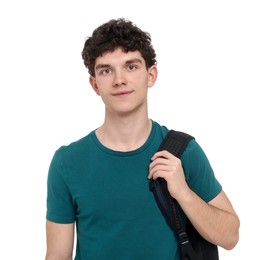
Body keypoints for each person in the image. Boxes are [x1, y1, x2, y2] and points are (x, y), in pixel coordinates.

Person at [45, 18, 240, 260]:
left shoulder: (182, 151)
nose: (119, 80)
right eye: (106, 70)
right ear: (95, 84)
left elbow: (230, 236)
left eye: (131, 66)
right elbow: (57, 255)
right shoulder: (68, 162)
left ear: (151, 75)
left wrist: (184, 193)